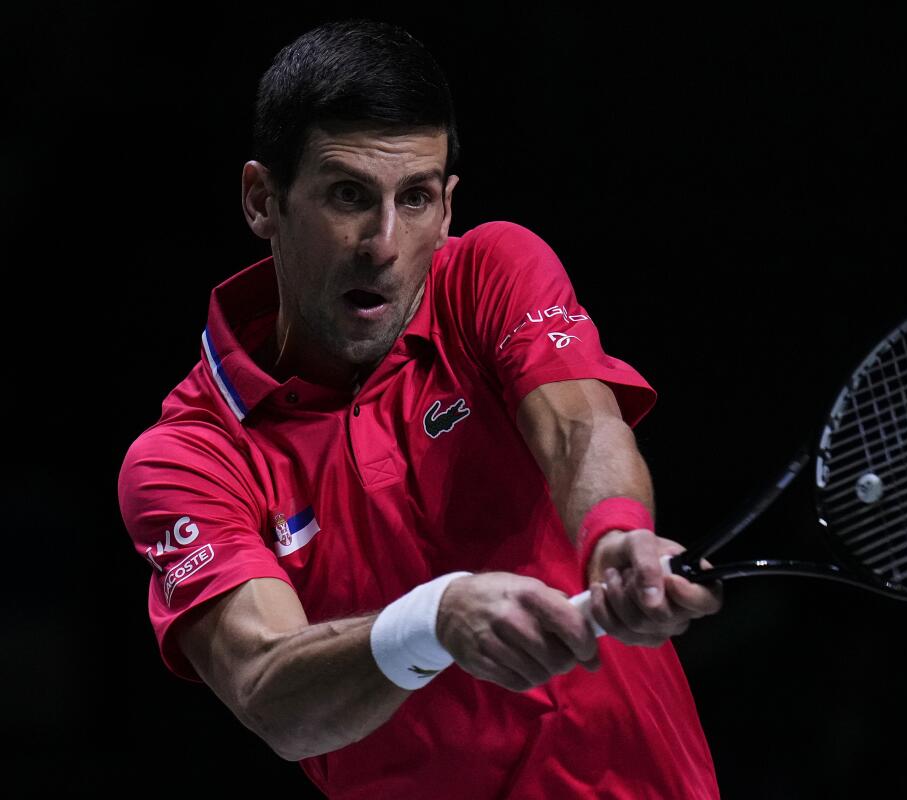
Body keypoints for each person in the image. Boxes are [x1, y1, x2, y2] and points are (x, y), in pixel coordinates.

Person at [116, 18, 723, 800]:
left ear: (447, 205)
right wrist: (432, 620)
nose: (384, 242)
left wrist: (616, 537)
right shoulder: (190, 458)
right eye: (347, 195)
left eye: (417, 197)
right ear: (263, 199)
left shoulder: (489, 276)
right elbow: (272, 691)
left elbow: (579, 428)